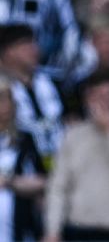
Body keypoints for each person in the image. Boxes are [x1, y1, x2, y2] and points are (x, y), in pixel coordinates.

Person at [43, 73, 109, 242]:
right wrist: (52, 231)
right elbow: (58, 187)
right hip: (79, 231)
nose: (104, 102)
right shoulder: (73, 136)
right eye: (98, 97)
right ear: (87, 100)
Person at [0, 24, 66, 164]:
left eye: (33, 43)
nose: (34, 49)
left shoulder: (55, 82)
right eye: (25, 45)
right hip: (15, 161)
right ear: (7, 51)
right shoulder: (3, 88)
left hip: (60, 156)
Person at [0, 75, 46, 242]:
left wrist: (9, 182)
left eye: (5, 98)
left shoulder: (26, 139)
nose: (3, 105)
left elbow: (44, 180)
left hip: (18, 229)